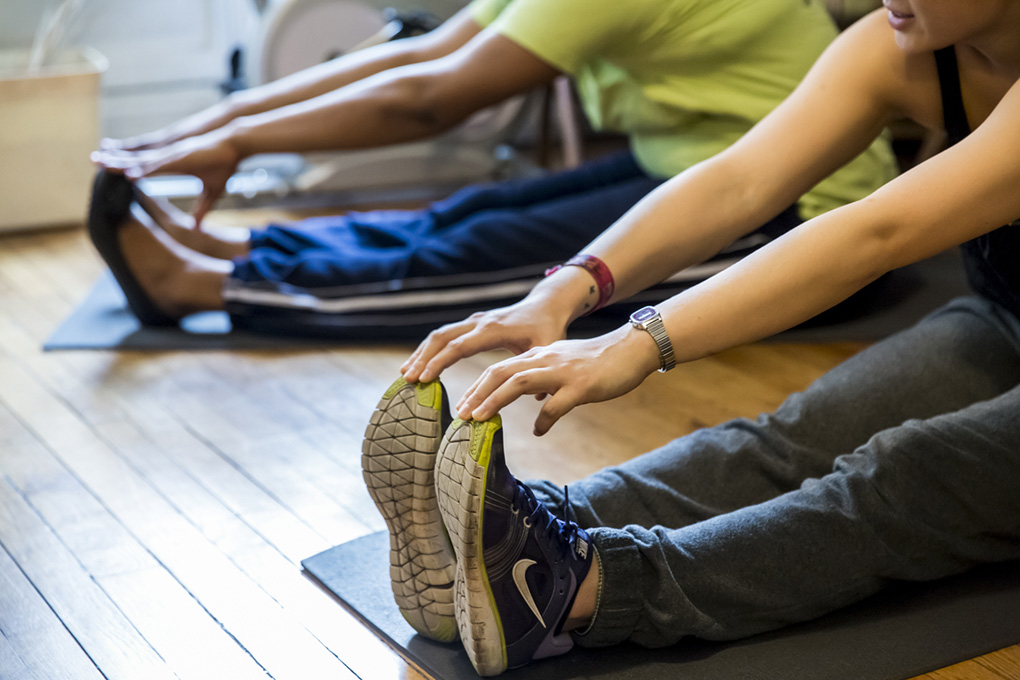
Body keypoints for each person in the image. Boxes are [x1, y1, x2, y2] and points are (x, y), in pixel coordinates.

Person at [360, 1, 1020, 676]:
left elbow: (879, 231)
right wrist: (564, 289)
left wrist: (637, 342)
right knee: (801, 431)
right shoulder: (901, 45)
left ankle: (576, 591)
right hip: (1007, 319)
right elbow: (739, 179)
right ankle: (523, 530)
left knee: (910, 472)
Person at [89, 0, 895, 335]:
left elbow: (428, 100)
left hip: (797, 215)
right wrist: (219, 126)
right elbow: (430, 52)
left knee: (489, 259)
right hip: (689, 162)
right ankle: (248, 254)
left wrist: (234, 142)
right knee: (466, 213)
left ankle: (201, 287)